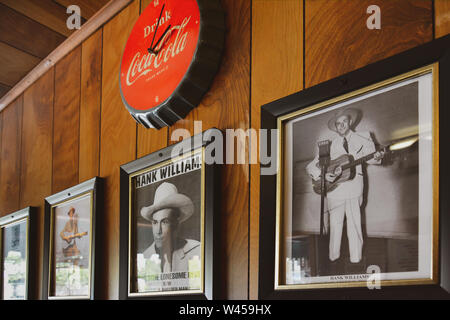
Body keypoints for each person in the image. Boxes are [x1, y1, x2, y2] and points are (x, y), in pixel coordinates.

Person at [306, 108, 384, 264]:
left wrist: (377, 156)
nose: (341, 125)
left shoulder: (364, 137)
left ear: (350, 122)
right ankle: (333, 258)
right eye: (338, 124)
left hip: (355, 187)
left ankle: (356, 260)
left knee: (355, 224)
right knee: (335, 225)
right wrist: (322, 175)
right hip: (335, 190)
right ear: (335, 127)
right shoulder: (328, 146)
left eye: (344, 122)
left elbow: (372, 159)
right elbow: (310, 167)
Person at [140, 182, 200, 273]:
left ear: (176, 224)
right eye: (155, 222)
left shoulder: (197, 251)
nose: (158, 231)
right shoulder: (144, 259)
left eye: (165, 222)